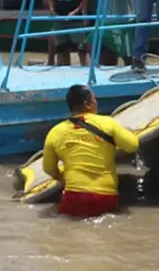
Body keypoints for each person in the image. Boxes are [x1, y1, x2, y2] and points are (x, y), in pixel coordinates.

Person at [42, 85, 140, 219]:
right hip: (105, 197)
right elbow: (132, 146)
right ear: (87, 104)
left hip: (73, 198)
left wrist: (63, 179)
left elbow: (48, 169)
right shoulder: (108, 123)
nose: (96, 102)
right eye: (94, 99)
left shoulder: (55, 132)